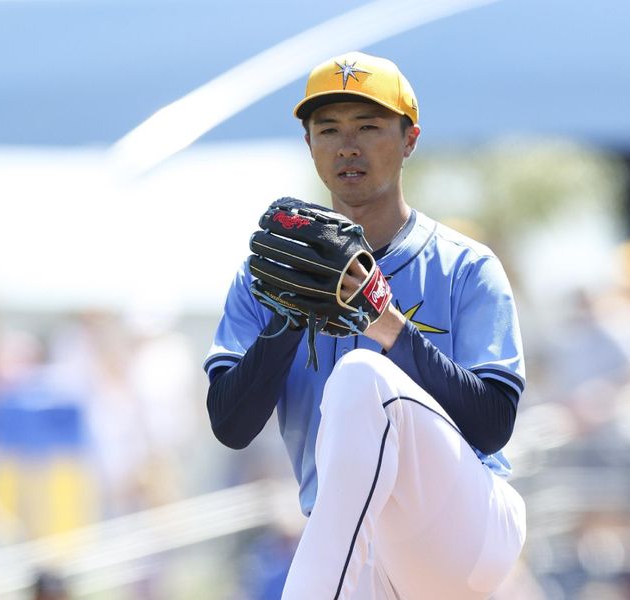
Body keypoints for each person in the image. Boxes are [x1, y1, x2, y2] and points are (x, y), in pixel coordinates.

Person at [205, 51, 526, 599]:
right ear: (309, 145)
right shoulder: (268, 278)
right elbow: (231, 427)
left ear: (409, 139)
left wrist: (388, 323)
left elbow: (493, 424)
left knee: (361, 376)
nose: (347, 146)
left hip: (464, 535)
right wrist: (286, 320)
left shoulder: (465, 266)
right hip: (359, 557)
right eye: (328, 129)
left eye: (369, 126)